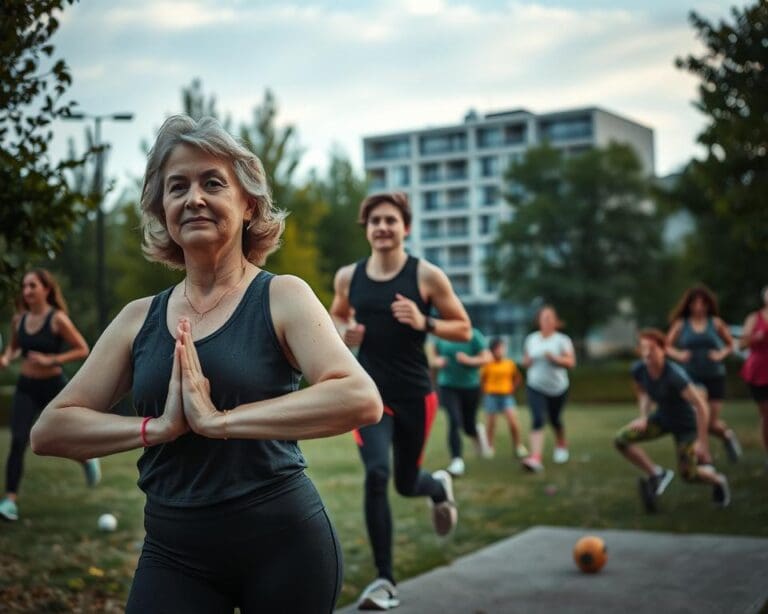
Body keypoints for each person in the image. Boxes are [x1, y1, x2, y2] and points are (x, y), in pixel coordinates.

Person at [30, 115, 382, 613]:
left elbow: (360, 397)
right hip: (175, 552)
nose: (193, 197)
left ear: (248, 205)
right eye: (177, 187)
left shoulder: (282, 296)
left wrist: (219, 422)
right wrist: (159, 428)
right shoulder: (137, 319)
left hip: (283, 544)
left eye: (212, 182)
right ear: (163, 209)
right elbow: (50, 430)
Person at [330, 192, 471, 611]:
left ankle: (437, 485)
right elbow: (337, 314)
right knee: (376, 473)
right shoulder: (348, 277)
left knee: (406, 483)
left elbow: (464, 328)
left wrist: (424, 320)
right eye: (374, 221)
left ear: (405, 227)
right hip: (368, 394)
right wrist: (345, 331)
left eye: (391, 220)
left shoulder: (426, 276)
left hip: (415, 394)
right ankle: (385, 580)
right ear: (367, 229)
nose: (382, 227)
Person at [0, 269, 99, 522]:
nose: (27, 291)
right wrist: (6, 357)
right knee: (19, 439)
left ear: (46, 289)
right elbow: (14, 346)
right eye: (24, 286)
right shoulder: (19, 320)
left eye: (32, 286)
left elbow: (82, 349)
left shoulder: (57, 320)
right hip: (26, 387)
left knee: (67, 436)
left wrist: (51, 359)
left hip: (53, 386)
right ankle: (10, 501)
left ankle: (86, 459)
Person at [614, 329, 730, 512]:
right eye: (643, 348)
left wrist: (702, 442)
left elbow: (701, 406)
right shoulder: (639, 369)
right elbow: (643, 393)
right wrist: (644, 418)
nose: (647, 353)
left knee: (689, 475)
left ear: (663, 350)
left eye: (651, 348)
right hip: (662, 418)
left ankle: (719, 480)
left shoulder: (674, 375)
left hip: (686, 425)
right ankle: (657, 474)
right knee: (621, 439)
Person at [666, 285, 741, 462]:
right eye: (695, 303)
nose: (699, 307)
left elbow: (731, 345)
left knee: (711, 423)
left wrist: (720, 354)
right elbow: (667, 346)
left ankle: (727, 436)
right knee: (700, 416)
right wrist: (679, 354)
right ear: (689, 304)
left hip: (715, 376)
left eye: (703, 303)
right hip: (691, 376)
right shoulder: (681, 325)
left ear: (708, 305)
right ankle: (704, 454)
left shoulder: (715, 323)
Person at [520, 305, 575, 472]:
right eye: (544, 318)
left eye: (550, 318)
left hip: (557, 388)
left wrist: (555, 359)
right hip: (535, 386)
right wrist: (527, 362)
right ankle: (535, 458)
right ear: (539, 321)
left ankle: (561, 443)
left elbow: (571, 363)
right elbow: (526, 361)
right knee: (537, 419)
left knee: (555, 419)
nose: (546, 321)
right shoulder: (532, 339)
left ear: (555, 322)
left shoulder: (562, 340)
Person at [432, 327, 493, 477]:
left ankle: (476, 431)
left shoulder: (473, 334)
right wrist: (437, 362)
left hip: (470, 387)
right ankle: (457, 461)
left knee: (468, 426)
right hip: (447, 385)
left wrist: (469, 360)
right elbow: (433, 357)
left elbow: (487, 358)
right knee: (454, 420)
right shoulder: (442, 334)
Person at [480, 338, 527, 459]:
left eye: (503, 348)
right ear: (493, 350)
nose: (502, 351)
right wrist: (485, 390)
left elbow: (517, 378)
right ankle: (489, 447)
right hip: (491, 396)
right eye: (499, 348)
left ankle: (518, 446)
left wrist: (513, 387)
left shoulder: (509, 363)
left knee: (513, 422)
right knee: (491, 423)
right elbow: (482, 379)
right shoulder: (487, 364)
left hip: (506, 396)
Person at [740, 285, 768, 463]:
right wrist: (754, 338)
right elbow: (741, 344)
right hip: (759, 370)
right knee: (766, 415)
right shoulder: (754, 318)